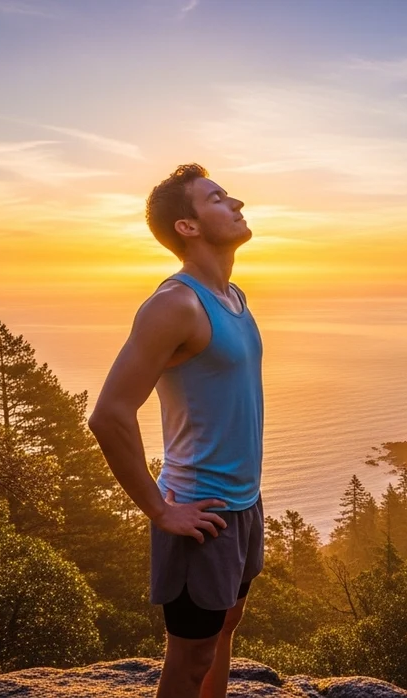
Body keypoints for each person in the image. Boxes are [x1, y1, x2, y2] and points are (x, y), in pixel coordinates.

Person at [88, 163, 265, 698]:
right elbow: (110, 414)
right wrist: (160, 510)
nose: (236, 203)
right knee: (190, 658)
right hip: (200, 511)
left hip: (242, 504)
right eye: (217, 198)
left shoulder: (233, 298)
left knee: (226, 627)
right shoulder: (175, 304)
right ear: (187, 226)